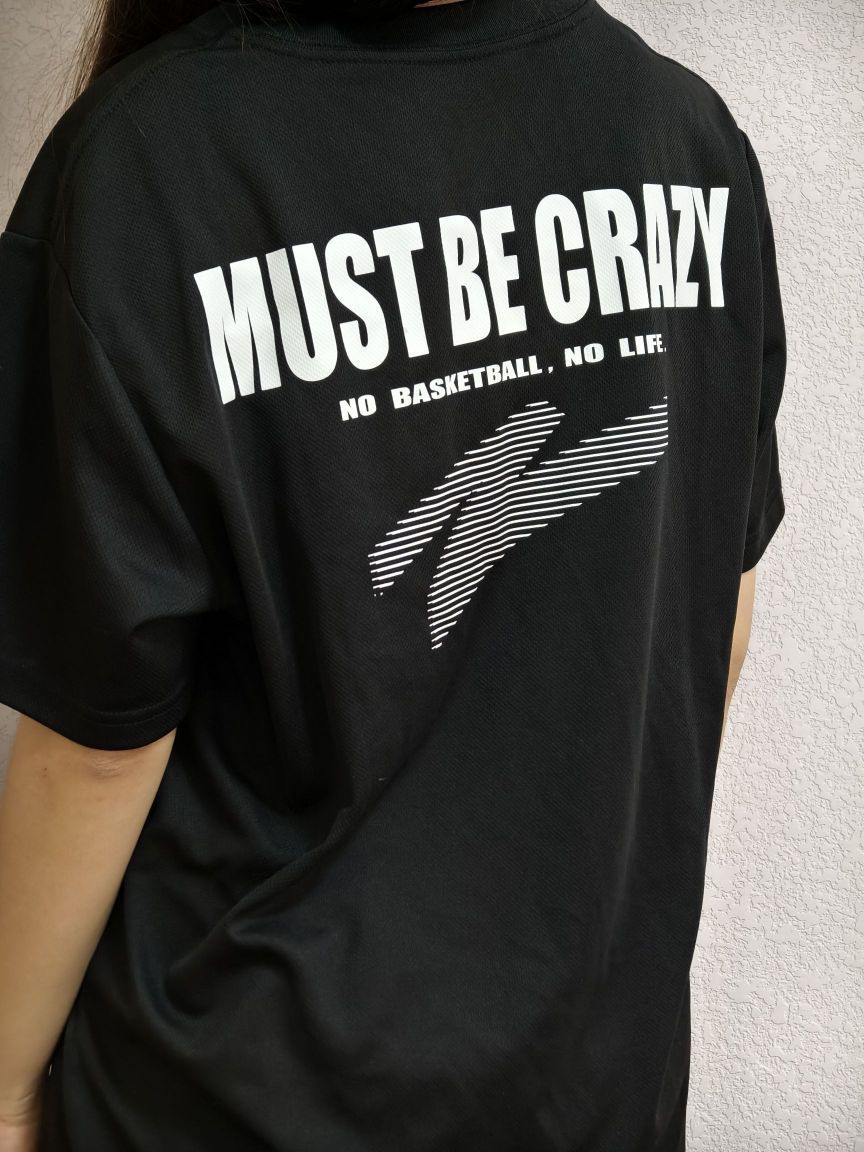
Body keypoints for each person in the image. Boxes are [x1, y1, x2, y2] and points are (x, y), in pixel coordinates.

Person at [0, 0, 786, 1148]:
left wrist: (6, 1083)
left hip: (237, 1091)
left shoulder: (144, 164)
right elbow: (716, 623)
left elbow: (95, 746)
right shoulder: (686, 138)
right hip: (587, 1081)